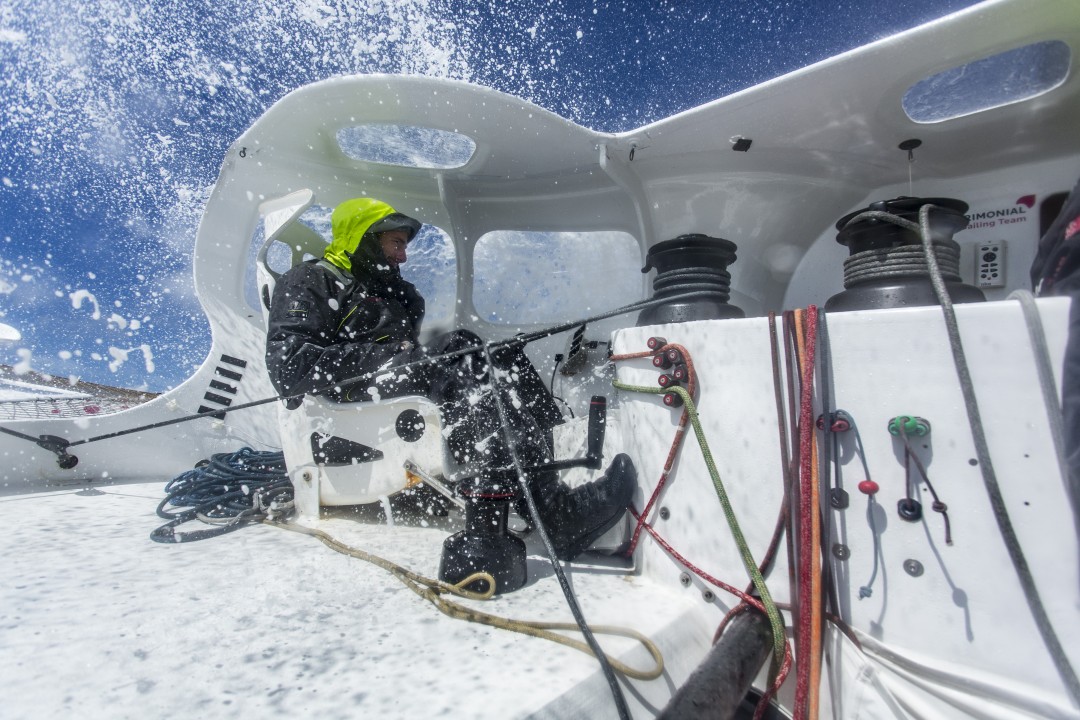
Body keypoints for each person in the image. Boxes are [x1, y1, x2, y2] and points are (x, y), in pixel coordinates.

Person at [265, 197, 635, 560]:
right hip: (350, 410)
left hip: (388, 391)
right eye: (396, 243)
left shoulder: (385, 290)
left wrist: (407, 345)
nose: (402, 256)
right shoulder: (310, 280)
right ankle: (556, 515)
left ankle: (552, 461)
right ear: (364, 237)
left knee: (499, 353)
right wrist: (396, 356)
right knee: (457, 352)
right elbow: (290, 368)